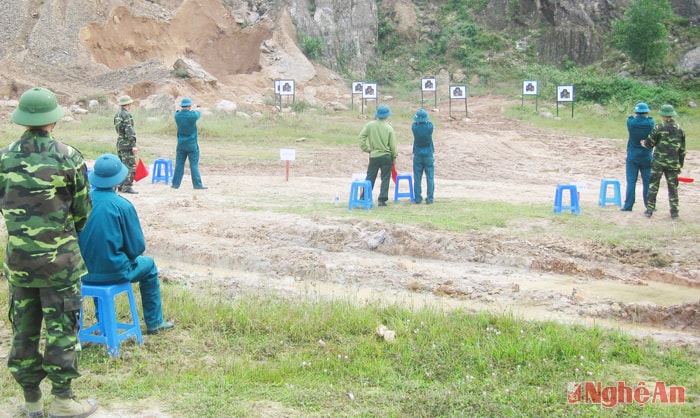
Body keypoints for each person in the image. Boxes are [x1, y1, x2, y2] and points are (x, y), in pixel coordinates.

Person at [1, 87, 98, 417]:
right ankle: (62, 400)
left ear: (23, 122)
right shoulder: (69, 157)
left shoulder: (3, 158)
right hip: (61, 265)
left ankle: (31, 401)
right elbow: (84, 212)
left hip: (19, 264)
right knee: (62, 330)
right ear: (52, 121)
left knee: (24, 331)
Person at [78, 154, 174, 335]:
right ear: (118, 181)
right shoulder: (123, 206)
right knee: (150, 266)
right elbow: (137, 248)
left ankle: (104, 322)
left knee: (98, 263)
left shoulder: (81, 203)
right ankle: (155, 323)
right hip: (115, 270)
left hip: (82, 272)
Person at [642, 104, 687, 219]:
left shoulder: (659, 127)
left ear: (663, 115)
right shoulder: (680, 129)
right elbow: (682, 150)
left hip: (658, 162)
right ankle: (674, 212)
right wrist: (680, 164)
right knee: (673, 188)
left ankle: (649, 210)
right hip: (673, 164)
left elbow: (649, 143)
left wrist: (643, 143)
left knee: (653, 185)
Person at [358, 105, 398, 206]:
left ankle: (364, 197)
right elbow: (393, 145)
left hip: (374, 155)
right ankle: (382, 200)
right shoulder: (389, 128)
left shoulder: (370, 125)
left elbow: (361, 137)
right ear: (387, 116)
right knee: (385, 178)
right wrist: (394, 157)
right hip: (386, 156)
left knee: (370, 177)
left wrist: (366, 149)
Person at [621, 102, 654, 211]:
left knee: (631, 181)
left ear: (636, 112)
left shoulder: (631, 123)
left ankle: (628, 205)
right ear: (646, 112)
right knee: (647, 182)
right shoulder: (650, 123)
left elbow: (629, 119)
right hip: (646, 155)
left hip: (633, 155)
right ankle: (649, 205)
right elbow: (651, 119)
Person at [172, 97, 207, 189]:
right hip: (192, 144)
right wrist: (198, 108)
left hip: (181, 144)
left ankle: (175, 184)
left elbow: (177, 112)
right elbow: (198, 113)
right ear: (189, 106)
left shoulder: (177, 116)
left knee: (179, 164)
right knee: (194, 165)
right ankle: (197, 185)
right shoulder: (193, 116)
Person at [114, 95, 139, 194]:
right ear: (128, 104)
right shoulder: (127, 115)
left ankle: (120, 185)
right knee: (130, 166)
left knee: (122, 166)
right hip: (127, 144)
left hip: (120, 143)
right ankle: (127, 186)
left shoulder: (117, 115)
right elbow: (129, 130)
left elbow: (118, 130)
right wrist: (133, 144)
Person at [411, 108, 435, 204]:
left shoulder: (414, 127)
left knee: (417, 177)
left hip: (418, 154)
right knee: (430, 177)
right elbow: (429, 123)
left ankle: (417, 198)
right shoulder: (430, 127)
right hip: (428, 154)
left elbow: (414, 123)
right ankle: (430, 198)